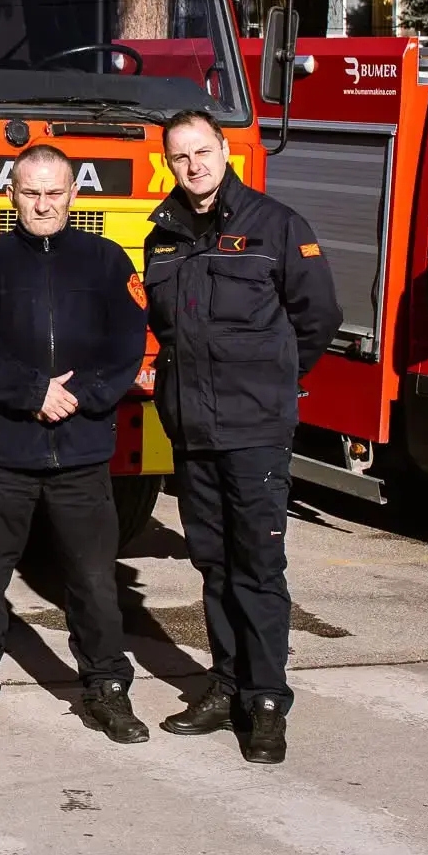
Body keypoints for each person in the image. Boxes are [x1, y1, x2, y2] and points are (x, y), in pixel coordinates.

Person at [0, 145, 153, 745]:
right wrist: (34, 393)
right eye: (30, 192)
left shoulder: (108, 261)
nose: (42, 204)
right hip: (3, 452)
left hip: (81, 453)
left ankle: (107, 688)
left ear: (73, 195)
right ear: (11, 194)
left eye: (54, 192)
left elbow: (126, 344)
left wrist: (76, 394)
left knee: (94, 583)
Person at [145, 110, 340, 764]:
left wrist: (272, 378)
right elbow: (169, 331)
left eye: (203, 151)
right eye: (180, 156)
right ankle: (226, 684)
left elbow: (318, 316)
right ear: (168, 163)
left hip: (254, 429)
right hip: (192, 430)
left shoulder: (276, 225)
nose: (193, 165)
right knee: (214, 564)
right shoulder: (162, 235)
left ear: (225, 150)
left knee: (258, 567)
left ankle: (266, 701)